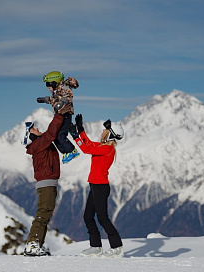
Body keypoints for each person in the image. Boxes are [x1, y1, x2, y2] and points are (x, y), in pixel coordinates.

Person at [69, 114, 125, 258]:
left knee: (102, 218)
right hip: (95, 185)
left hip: (100, 187)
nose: (102, 131)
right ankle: (95, 246)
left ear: (110, 134)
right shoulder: (102, 146)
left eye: (105, 130)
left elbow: (86, 149)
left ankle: (117, 247)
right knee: (88, 216)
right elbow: (88, 143)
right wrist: (80, 130)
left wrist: (76, 137)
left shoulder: (108, 150)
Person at [20, 104, 71, 257]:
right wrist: (59, 115)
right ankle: (32, 244)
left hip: (48, 183)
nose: (37, 128)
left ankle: (36, 245)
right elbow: (51, 133)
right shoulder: (39, 144)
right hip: (47, 184)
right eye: (33, 129)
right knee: (43, 214)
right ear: (30, 136)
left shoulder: (39, 145)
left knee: (45, 214)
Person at [37, 70, 80, 164]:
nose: (48, 87)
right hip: (59, 115)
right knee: (55, 136)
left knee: (60, 135)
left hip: (66, 114)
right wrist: (44, 99)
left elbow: (68, 96)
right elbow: (53, 100)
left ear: (54, 82)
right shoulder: (56, 92)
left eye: (48, 84)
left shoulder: (64, 88)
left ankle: (72, 150)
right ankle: (66, 152)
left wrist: (63, 101)